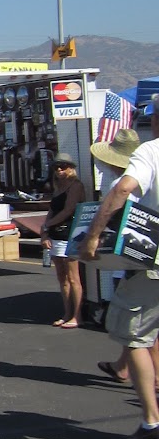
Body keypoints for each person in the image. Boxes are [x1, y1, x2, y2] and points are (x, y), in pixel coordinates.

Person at [76, 103, 159, 439]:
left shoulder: (151, 151)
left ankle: (151, 423)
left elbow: (124, 188)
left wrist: (93, 235)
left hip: (154, 262)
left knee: (135, 335)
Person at [89, 128, 142, 383]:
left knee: (137, 327)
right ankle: (122, 366)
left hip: (130, 258)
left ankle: (151, 380)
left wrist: (92, 237)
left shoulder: (119, 185)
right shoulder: (148, 177)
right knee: (140, 324)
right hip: (145, 252)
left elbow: (111, 217)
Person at [42, 156, 87, 328]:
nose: (59, 170)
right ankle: (67, 313)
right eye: (56, 168)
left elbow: (69, 210)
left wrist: (48, 224)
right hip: (56, 234)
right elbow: (52, 210)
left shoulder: (76, 185)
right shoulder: (58, 187)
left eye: (63, 167)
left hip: (71, 233)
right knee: (62, 277)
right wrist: (45, 231)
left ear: (71, 167)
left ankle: (77, 315)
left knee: (73, 277)